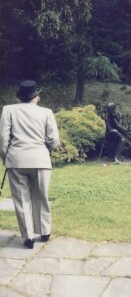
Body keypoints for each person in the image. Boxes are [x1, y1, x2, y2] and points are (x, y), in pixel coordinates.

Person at [0, 80, 60, 249]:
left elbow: (3, 140)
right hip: (40, 160)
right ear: (36, 97)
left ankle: (28, 237)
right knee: (42, 197)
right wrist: (44, 150)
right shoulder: (47, 112)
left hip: (16, 160)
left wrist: (6, 159)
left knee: (21, 200)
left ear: (19, 98)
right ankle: (45, 231)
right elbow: (54, 141)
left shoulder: (8, 110)